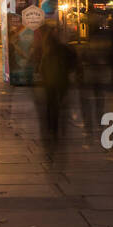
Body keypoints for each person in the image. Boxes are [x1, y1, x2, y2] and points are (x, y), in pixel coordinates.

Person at [37, 26, 79, 160]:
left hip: (50, 82)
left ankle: (51, 127)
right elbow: (73, 62)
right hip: (61, 81)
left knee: (51, 105)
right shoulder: (64, 49)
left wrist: (43, 77)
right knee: (59, 103)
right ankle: (56, 126)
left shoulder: (48, 50)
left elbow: (42, 67)